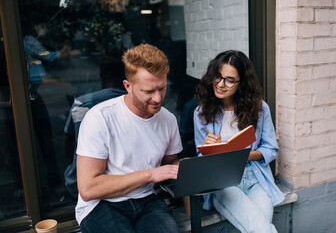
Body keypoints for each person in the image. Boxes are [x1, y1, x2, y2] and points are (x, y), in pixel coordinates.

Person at [75, 44, 183, 233]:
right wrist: (150, 174)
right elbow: (88, 188)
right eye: (149, 91)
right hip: (101, 205)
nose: (158, 98)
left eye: (162, 88)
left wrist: (182, 168)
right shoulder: (100, 118)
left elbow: (170, 162)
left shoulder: (168, 120)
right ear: (128, 86)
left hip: (146, 200)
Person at [193, 50, 284, 233]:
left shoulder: (259, 109)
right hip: (223, 181)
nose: (221, 84)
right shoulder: (201, 113)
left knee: (261, 228)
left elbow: (271, 149)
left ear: (241, 83)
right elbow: (199, 159)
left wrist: (245, 155)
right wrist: (208, 150)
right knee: (261, 229)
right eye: (218, 77)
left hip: (255, 178)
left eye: (229, 79)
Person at [63, 57, 127, 198]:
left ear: (102, 77)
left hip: (80, 181)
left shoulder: (83, 103)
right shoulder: (138, 103)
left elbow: (68, 140)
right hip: (128, 178)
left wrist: (73, 166)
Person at [22, 18, 80, 85]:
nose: (45, 30)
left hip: (38, 77)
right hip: (36, 78)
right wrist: (68, 53)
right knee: (67, 84)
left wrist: (61, 51)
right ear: (34, 26)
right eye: (42, 26)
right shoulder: (29, 39)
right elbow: (46, 55)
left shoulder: (31, 39)